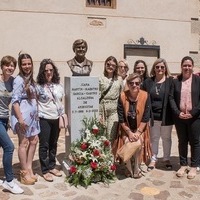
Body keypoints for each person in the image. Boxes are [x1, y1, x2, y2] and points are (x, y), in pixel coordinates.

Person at [11, 53, 40, 185]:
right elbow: (15, 101)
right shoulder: (18, 80)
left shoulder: (31, 79)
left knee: (34, 140)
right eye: (24, 64)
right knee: (23, 143)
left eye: (29, 63)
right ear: (20, 65)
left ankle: (29, 168)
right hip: (22, 117)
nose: (27, 66)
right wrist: (20, 119)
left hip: (33, 118)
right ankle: (23, 172)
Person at [169, 56, 200, 179]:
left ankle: (194, 166)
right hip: (180, 117)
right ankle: (183, 164)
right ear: (181, 66)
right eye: (184, 65)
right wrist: (177, 112)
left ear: (192, 67)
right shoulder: (176, 81)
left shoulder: (198, 80)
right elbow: (171, 98)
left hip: (195, 116)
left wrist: (193, 113)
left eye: (189, 65)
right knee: (182, 140)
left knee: (195, 141)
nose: (187, 68)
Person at [117, 73, 151, 178]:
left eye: (137, 83)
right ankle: (128, 168)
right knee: (127, 141)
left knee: (137, 142)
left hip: (140, 129)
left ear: (140, 84)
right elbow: (121, 118)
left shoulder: (145, 95)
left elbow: (146, 116)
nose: (134, 85)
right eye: (131, 83)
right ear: (127, 84)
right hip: (126, 128)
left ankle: (136, 167)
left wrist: (137, 132)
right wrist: (129, 133)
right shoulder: (122, 96)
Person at [142, 58, 174, 171]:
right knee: (154, 138)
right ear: (154, 68)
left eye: (162, 67)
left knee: (166, 138)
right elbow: (143, 98)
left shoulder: (171, 81)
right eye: (157, 67)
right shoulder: (148, 82)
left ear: (165, 69)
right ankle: (154, 159)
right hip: (153, 116)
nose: (160, 69)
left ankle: (166, 159)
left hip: (166, 116)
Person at [36, 59, 64, 182]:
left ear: (54, 71)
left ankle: (52, 166)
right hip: (44, 118)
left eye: (51, 70)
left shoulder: (59, 86)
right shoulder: (38, 87)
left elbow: (61, 101)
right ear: (42, 72)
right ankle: (45, 170)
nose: (48, 72)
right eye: (46, 70)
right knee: (44, 145)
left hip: (56, 118)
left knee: (53, 143)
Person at [0, 56, 24, 194]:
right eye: (7, 65)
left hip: (4, 119)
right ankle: (9, 181)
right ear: (2, 67)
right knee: (9, 147)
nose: (10, 68)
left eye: (12, 66)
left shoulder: (14, 82)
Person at [99, 56, 123, 142]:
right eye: (108, 64)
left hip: (114, 110)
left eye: (113, 65)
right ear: (105, 65)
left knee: (111, 134)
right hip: (102, 108)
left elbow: (122, 95)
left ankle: (109, 154)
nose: (110, 67)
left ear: (116, 67)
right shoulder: (100, 79)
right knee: (101, 134)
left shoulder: (119, 79)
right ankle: (101, 154)